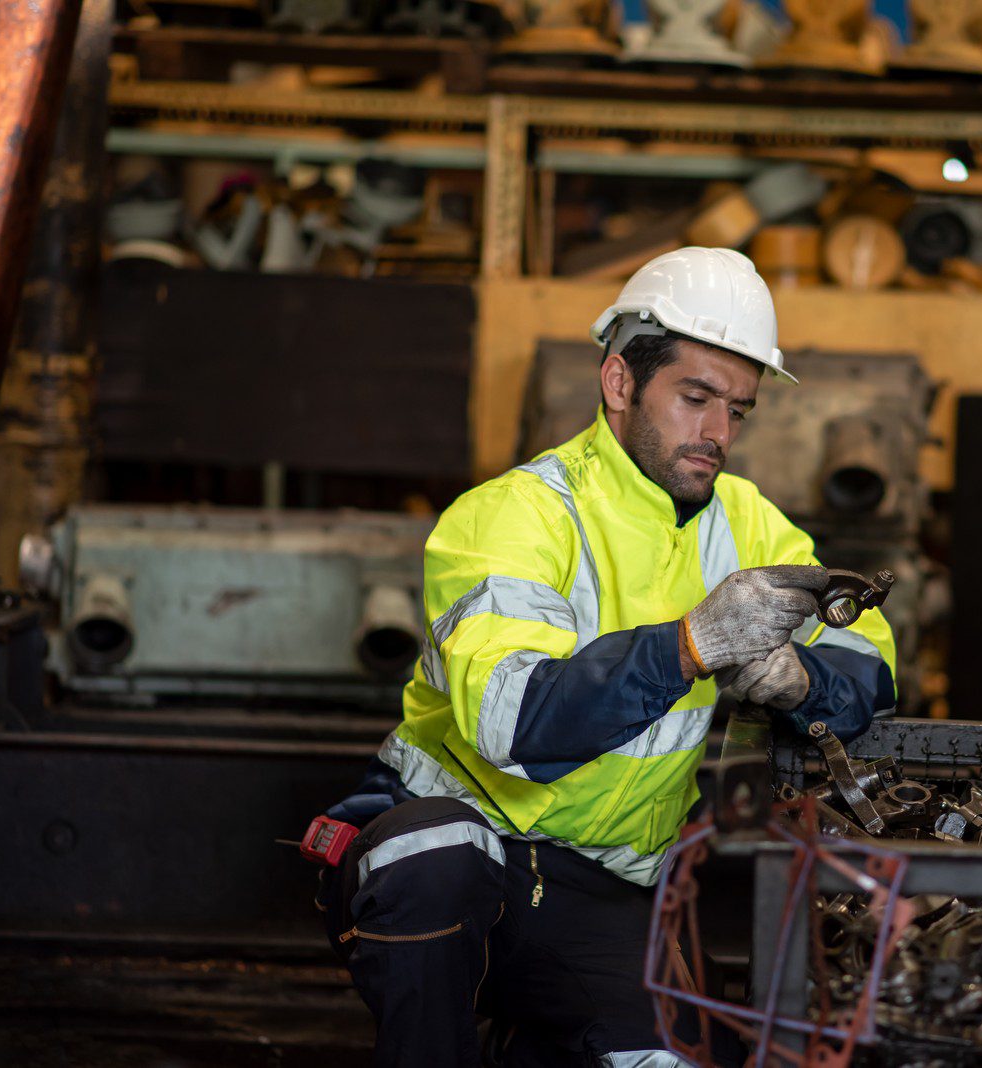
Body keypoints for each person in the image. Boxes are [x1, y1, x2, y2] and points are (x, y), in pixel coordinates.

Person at [314, 247, 896, 1067]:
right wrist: (692, 645)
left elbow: (871, 660)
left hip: (601, 890)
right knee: (434, 857)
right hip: (457, 854)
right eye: (694, 398)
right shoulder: (515, 516)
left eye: (738, 410)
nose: (717, 434)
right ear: (619, 383)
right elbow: (513, 723)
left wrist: (806, 682)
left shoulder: (750, 524)